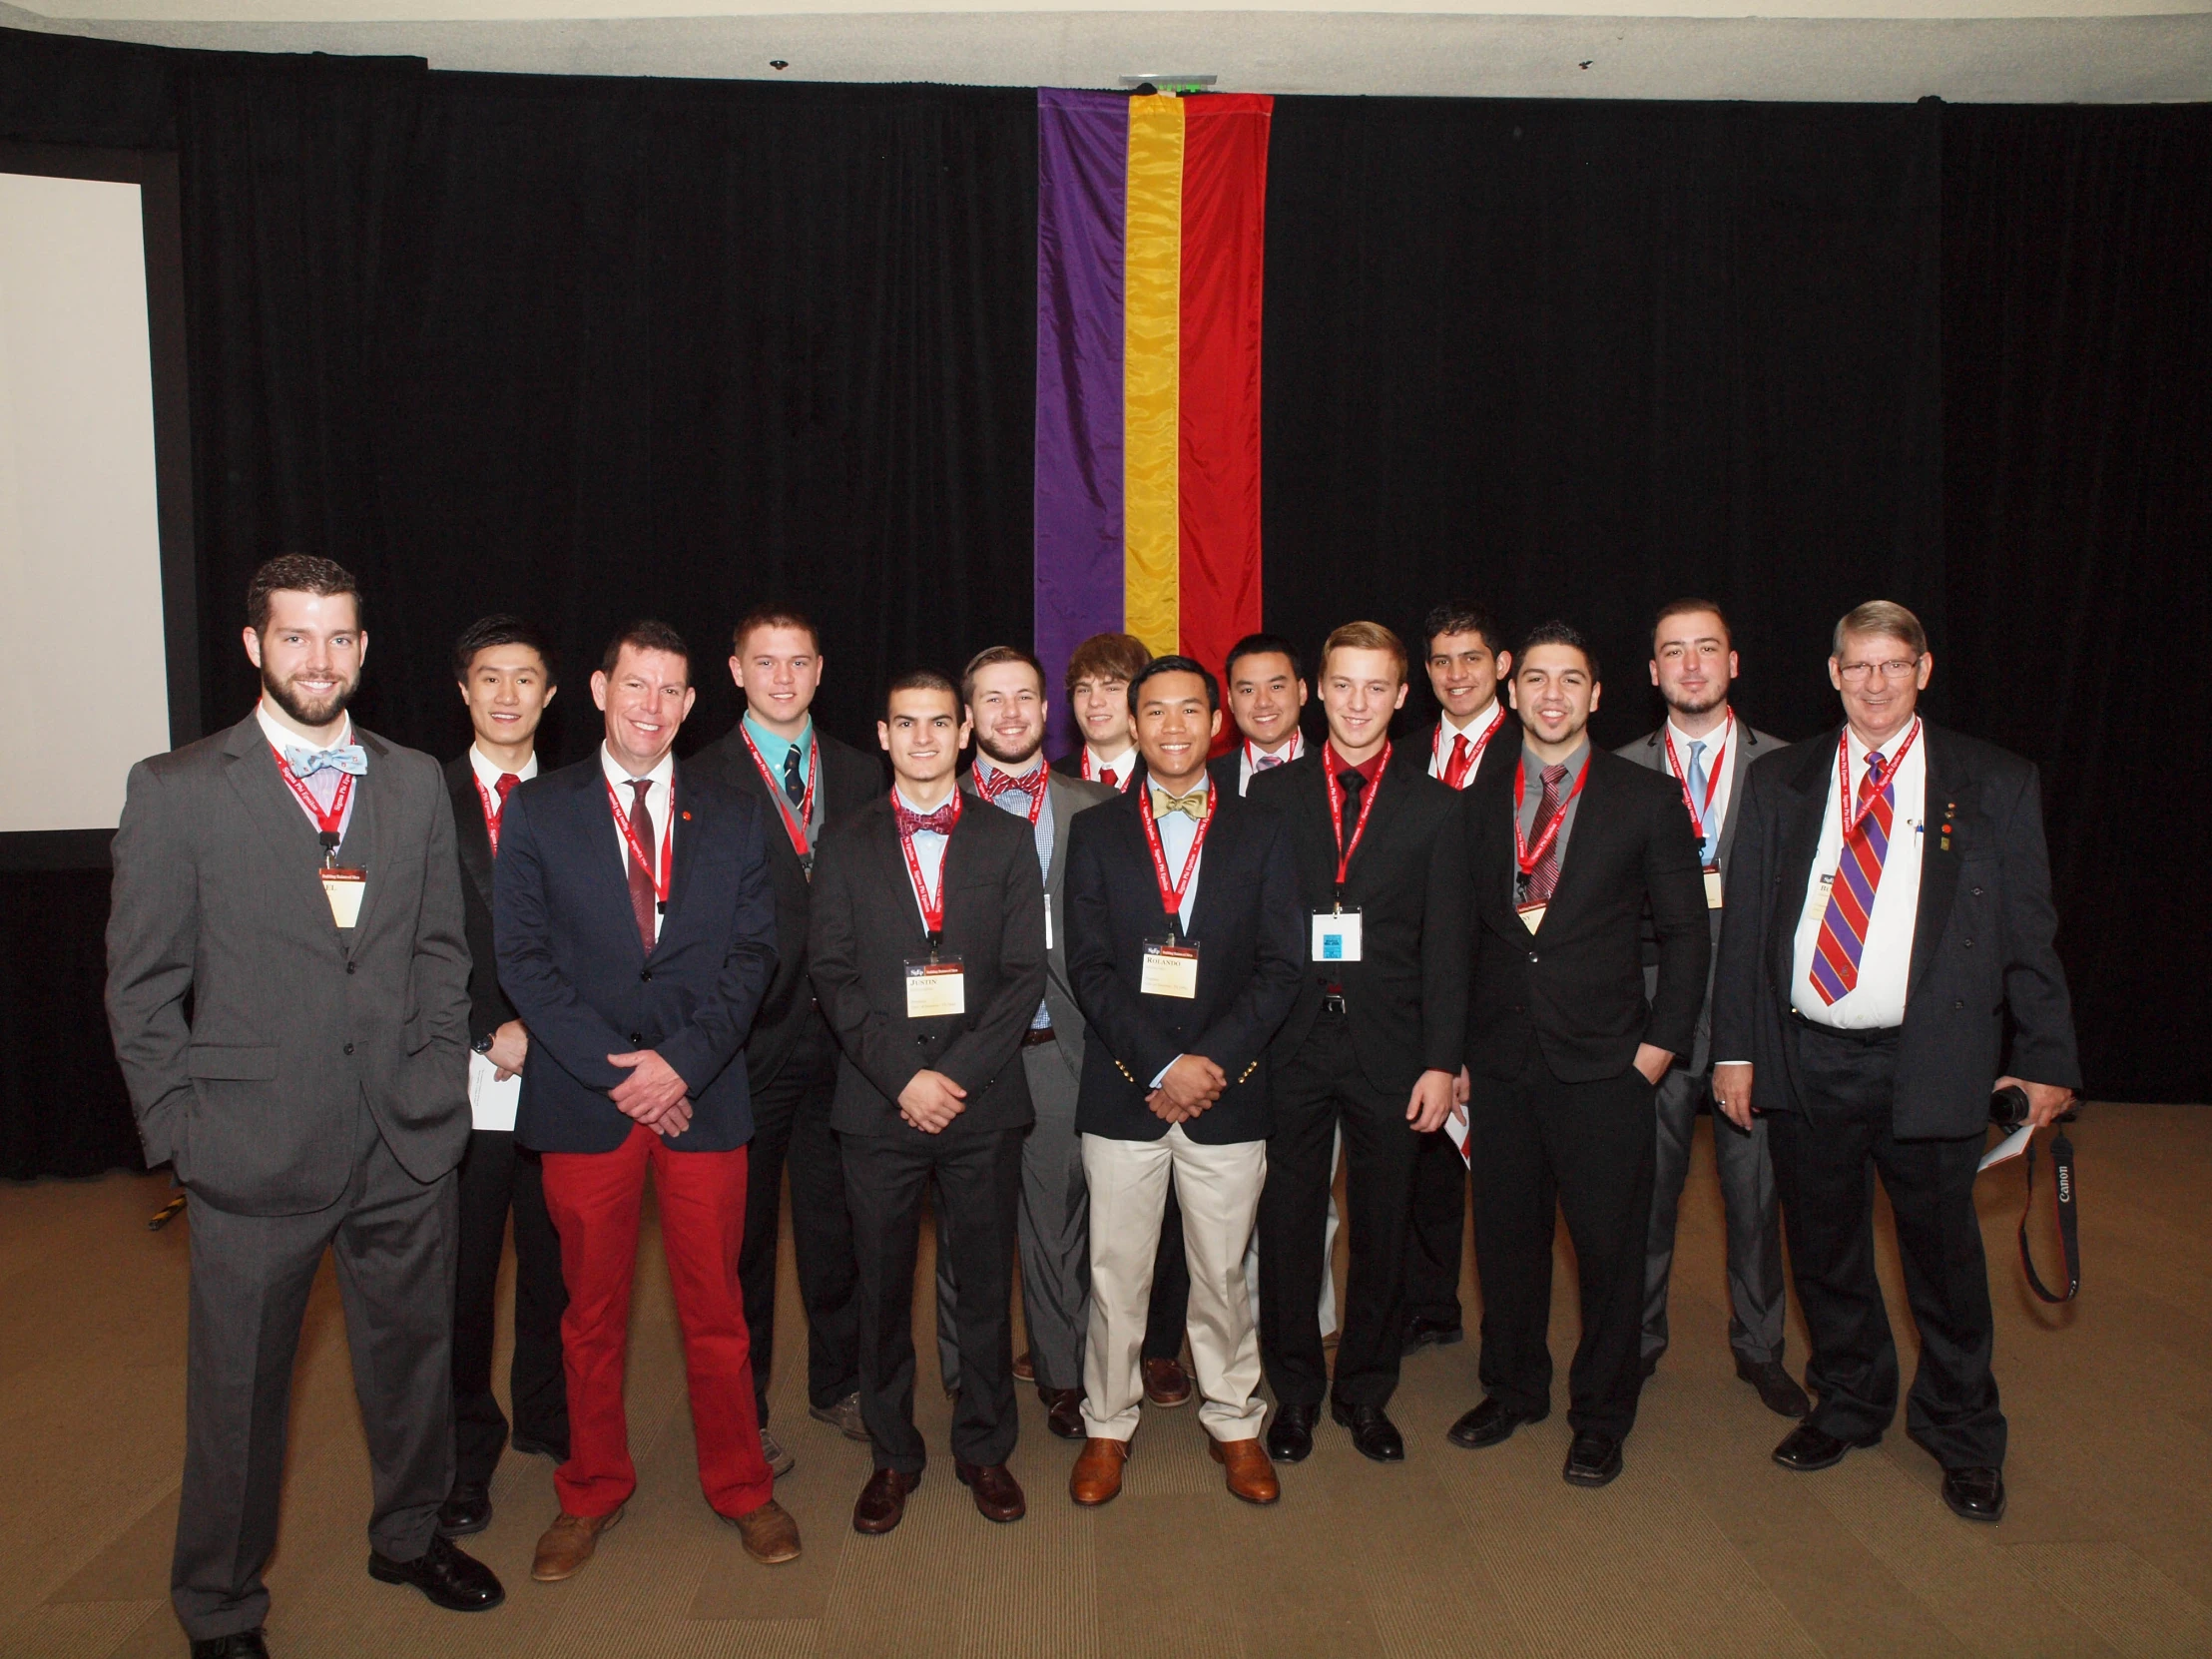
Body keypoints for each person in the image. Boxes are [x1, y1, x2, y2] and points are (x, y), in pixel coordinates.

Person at [107, 555, 503, 1659]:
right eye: (295, 638)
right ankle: (221, 1601)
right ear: (254, 647)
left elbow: (437, 951)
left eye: (338, 640)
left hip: (402, 1137)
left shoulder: (416, 779)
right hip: (251, 1149)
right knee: (238, 1397)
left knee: (413, 1363)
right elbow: (141, 988)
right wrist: (182, 1131)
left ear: (364, 652)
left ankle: (410, 1534)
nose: (317, 662)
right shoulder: (177, 789)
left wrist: (433, 1085)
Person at [1711, 600, 2079, 1523]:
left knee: (1943, 1264)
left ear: (1923, 671)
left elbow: (2031, 933)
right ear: (1833, 674)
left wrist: (2045, 1057)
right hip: (1805, 1059)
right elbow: (1749, 929)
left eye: (1893, 666)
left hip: (1933, 1063)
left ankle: (1961, 1434)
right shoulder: (1782, 780)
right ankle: (1850, 1402)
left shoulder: (1993, 781)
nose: (1875, 684)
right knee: (1825, 1255)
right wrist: (1737, 1051)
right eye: (1857, 667)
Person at [496, 620, 798, 1581]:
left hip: (703, 1097)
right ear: (597, 688)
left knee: (719, 1311)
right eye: (636, 686)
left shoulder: (735, 809)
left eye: (671, 691)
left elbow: (753, 959)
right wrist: (623, 1071)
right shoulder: (538, 812)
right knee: (590, 1314)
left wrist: (682, 1066)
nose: (651, 707)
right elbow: (525, 965)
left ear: (690, 702)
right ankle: (590, 1490)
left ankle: (743, 1487)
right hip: (586, 1102)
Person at [1447, 622, 1709, 1489]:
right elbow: (1462, 940)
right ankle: (1513, 1388)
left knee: (1608, 1254)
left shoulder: (1645, 797)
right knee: (1507, 1243)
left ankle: (1601, 1415)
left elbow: (1684, 935)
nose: (1551, 694)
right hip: (1504, 1067)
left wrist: (1657, 1054)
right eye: (1534, 678)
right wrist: (1454, 1055)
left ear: (1597, 695)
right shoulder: (1478, 794)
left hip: (1609, 1070)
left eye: (1571, 679)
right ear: (1511, 692)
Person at [808, 671, 1048, 1534]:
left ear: (964, 733)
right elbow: (831, 973)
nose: (921, 738)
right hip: (879, 1107)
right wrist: (903, 1078)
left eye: (938, 722)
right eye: (904, 723)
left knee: (985, 1288)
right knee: (882, 1291)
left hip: (982, 1106)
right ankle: (892, 1454)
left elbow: (1024, 978)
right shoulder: (843, 840)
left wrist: (955, 1079)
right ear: (882, 734)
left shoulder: (1009, 838)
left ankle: (985, 1450)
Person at [1062, 656, 1305, 1508]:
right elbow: (1087, 969)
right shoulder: (1092, 832)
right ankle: (1106, 1424)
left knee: (1224, 1275)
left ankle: (1235, 1420)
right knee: (1115, 1273)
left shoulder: (1264, 829)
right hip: (1124, 1093)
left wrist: (1207, 1067)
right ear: (1131, 724)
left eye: (1189, 711)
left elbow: (1281, 966)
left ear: (1216, 723)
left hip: (1229, 1093)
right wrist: (1161, 1067)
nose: (1171, 727)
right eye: (1154, 712)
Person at [1250, 623, 1467, 1465]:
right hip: (1291, 1046)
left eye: (1377, 688)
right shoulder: (1269, 800)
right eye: (1343, 684)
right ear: (1316, 687)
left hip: (1394, 1053)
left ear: (1402, 696)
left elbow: (1449, 950)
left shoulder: (1437, 808)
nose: (1358, 703)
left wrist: (1442, 1062)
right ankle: (1295, 1394)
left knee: (1382, 1230)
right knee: (1291, 1227)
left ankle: (1365, 1394)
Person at [695, 606, 876, 1470]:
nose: (780, 678)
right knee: (744, 1246)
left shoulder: (860, 771)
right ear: (735, 670)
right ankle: (746, 1409)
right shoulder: (699, 778)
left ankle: (838, 1384)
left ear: (819, 670)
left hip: (843, 1048)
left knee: (836, 1230)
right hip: (745, 1048)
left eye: (796, 662)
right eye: (762, 662)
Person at [1615, 600, 1806, 1418]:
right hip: (1650, 1022)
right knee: (1641, 1197)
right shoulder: (1613, 770)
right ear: (1652, 672)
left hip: (1753, 1021)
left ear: (1733, 664)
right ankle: (1638, 1343)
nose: (1690, 666)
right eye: (1672, 653)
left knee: (1757, 1198)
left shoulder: (1795, 769)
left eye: (1706, 650)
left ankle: (1762, 1349)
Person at [926, 647, 1117, 1442]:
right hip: (966, 1052)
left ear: (1049, 712)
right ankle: (967, 1371)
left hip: (1063, 1045)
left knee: (1060, 1220)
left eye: (1025, 699)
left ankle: (1064, 1374)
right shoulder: (933, 805)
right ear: (968, 720)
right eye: (992, 701)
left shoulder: (1097, 808)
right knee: (963, 1223)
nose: (1010, 714)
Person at [440, 615, 570, 1541]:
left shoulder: (573, 800)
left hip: (561, 1072)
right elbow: (408, 942)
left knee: (556, 1261)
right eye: (491, 678)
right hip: (466, 1075)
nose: (508, 695)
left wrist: (552, 1030)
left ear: (551, 696)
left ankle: (549, 1417)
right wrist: (488, 1027)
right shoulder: (421, 798)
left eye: (526, 679)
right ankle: (462, 1455)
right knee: (465, 1274)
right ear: (464, 691)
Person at [1054, 630, 1194, 1407]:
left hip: (1165, 1029)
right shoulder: (1048, 788)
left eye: (1115, 686)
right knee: (1078, 1198)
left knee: (1171, 1201)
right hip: (1072, 1019)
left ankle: (1161, 1346)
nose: (1099, 701)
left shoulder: (1184, 781)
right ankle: (1072, 1332)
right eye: (1085, 689)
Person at [1403, 600, 1520, 1354]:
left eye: (1471, 658)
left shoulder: (1538, 751)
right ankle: (1428, 1306)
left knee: (1511, 1182)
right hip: (1413, 995)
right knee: (1422, 1168)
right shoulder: (1399, 752)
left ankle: (1513, 1334)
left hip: (1508, 999)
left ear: (1502, 665)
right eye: (1442, 660)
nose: (1456, 675)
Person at [1052, 631, 1151, 792]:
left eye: (1111, 688)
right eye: (1084, 690)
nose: (1094, 701)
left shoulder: (1169, 776)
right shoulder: (1050, 782)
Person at [1213, 632, 1309, 794]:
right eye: (1248, 690)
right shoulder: (1206, 781)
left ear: (1302, 692)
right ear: (1230, 700)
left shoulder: (1336, 776)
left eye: (1276, 687)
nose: (1263, 702)